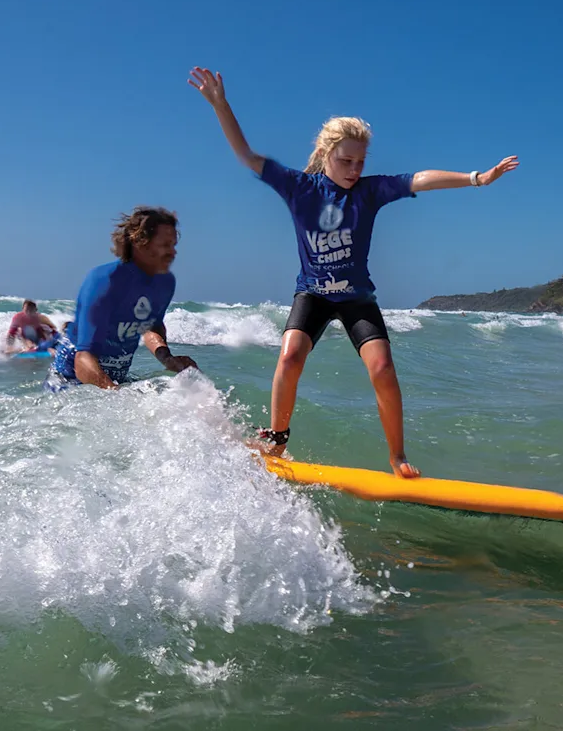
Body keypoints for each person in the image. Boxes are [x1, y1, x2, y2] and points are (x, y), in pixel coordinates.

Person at [190, 66, 519, 478]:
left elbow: (419, 179)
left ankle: (397, 457)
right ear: (326, 154)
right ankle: (276, 437)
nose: (354, 169)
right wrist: (221, 105)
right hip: (312, 292)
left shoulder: (369, 191)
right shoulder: (300, 188)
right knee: (290, 354)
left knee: (382, 368)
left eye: (360, 162)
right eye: (345, 160)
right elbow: (248, 156)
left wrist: (477, 178)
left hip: (356, 298)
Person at [46, 207, 198, 391]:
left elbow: (151, 326)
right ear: (141, 243)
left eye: (173, 245)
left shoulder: (165, 283)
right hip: (70, 379)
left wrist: (166, 358)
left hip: (116, 378)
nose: (173, 253)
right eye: (164, 245)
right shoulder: (104, 281)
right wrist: (116, 395)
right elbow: (82, 358)